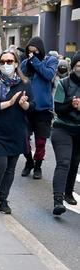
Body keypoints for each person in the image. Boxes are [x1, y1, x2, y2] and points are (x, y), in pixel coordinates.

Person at [0, 50, 33, 214]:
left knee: (10, 169)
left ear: (16, 63)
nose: (6, 65)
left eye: (10, 61)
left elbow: (32, 107)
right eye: (3, 62)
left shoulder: (25, 83)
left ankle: (2, 201)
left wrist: (25, 105)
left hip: (17, 131)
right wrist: (10, 103)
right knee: (0, 165)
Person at [20, 37, 58, 179]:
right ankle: (29, 161)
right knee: (23, 137)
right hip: (26, 106)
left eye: (35, 51)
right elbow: (19, 78)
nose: (32, 54)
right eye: (30, 52)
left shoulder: (50, 61)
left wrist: (34, 61)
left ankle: (38, 166)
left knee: (40, 141)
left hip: (43, 109)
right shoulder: (25, 63)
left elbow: (48, 75)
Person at [51, 52, 80, 215]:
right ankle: (58, 200)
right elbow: (58, 109)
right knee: (64, 162)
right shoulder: (64, 83)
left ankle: (68, 192)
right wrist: (71, 104)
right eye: (78, 66)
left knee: (75, 162)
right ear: (73, 67)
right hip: (62, 128)